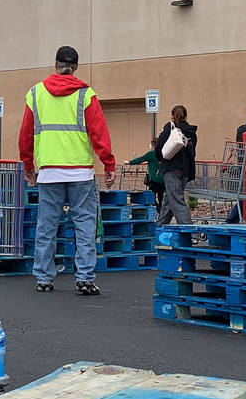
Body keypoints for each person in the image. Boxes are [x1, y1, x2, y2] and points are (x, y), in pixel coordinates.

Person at [19, 45, 116, 296]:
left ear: (55, 64)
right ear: (76, 67)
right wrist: (108, 164)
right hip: (80, 173)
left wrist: (28, 165)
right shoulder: (86, 95)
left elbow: (25, 135)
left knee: (47, 226)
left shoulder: (36, 93)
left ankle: (43, 277)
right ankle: (84, 277)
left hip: (49, 172)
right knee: (84, 226)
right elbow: (99, 133)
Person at [155, 105, 198, 241]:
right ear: (186, 116)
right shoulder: (191, 132)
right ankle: (159, 228)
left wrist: (160, 159)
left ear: (172, 115)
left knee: (177, 201)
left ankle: (191, 234)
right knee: (169, 200)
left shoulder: (170, 127)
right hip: (185, 171)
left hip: (172, 169)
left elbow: (159, 146)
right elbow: (192, 152)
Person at [126, 141, 164, 211]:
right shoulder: (164, 153)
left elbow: (140, 159)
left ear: (153, 145)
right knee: (161, 197)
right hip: (163, 180)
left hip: (154, 179)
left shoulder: (152, 153)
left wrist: (129, 162)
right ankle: (162, 214)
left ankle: (159, 211)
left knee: (151, 197)